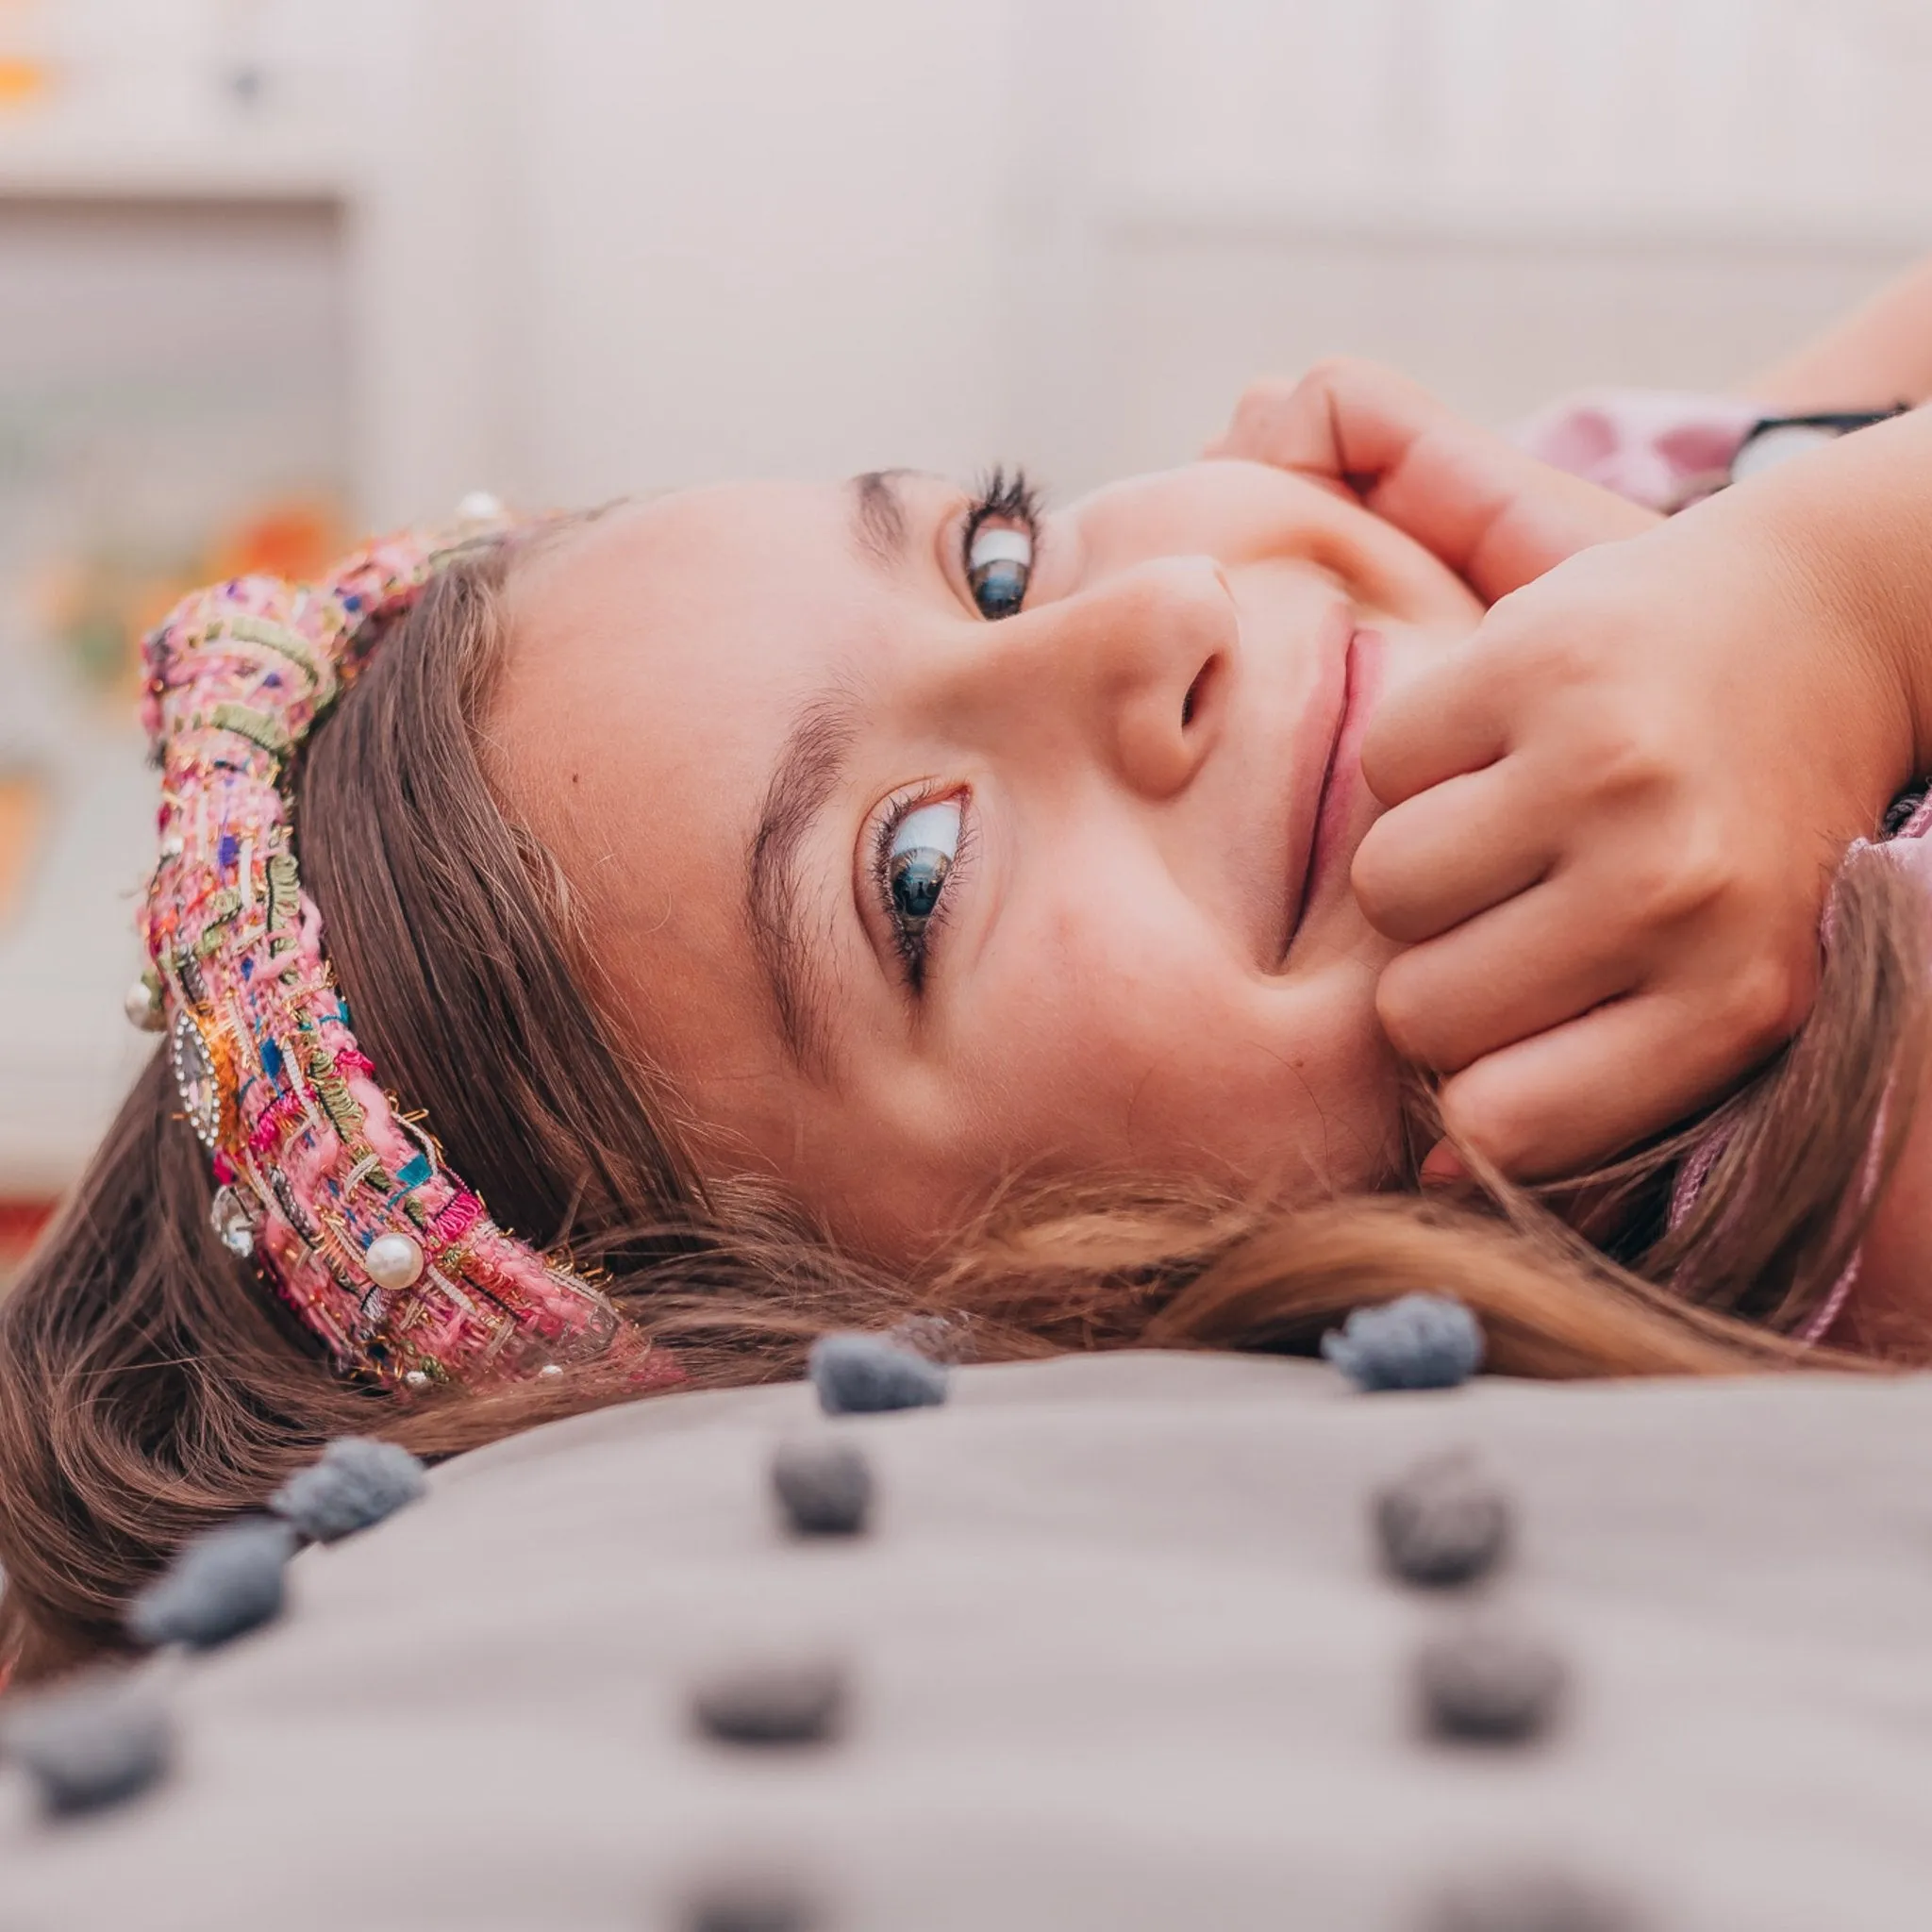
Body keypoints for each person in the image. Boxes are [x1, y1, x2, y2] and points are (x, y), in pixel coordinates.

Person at [5, 339, 1930, 1685]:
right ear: (999, 1321)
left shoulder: (1594, 558)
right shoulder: (1838, 1137)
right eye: (918, 876)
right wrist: (1838, 604)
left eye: (991, 559)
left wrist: (1700, 526)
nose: (1160, 614)